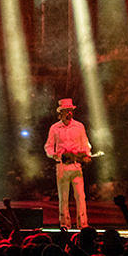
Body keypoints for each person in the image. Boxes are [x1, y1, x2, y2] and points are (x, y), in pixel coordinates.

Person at [44, 98, 92, 229]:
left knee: (80, 196)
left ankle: (83, 224)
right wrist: (54, 155)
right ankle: (65, 224)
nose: (69, 113)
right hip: (62, 165)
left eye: (71, 110)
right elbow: (48, 146)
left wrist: (87, 155)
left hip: (76, 165)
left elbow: (85, 144)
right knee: (63, 197)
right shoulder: (55, 128)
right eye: (66, 111)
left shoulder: (79, 126)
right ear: (61, 112)